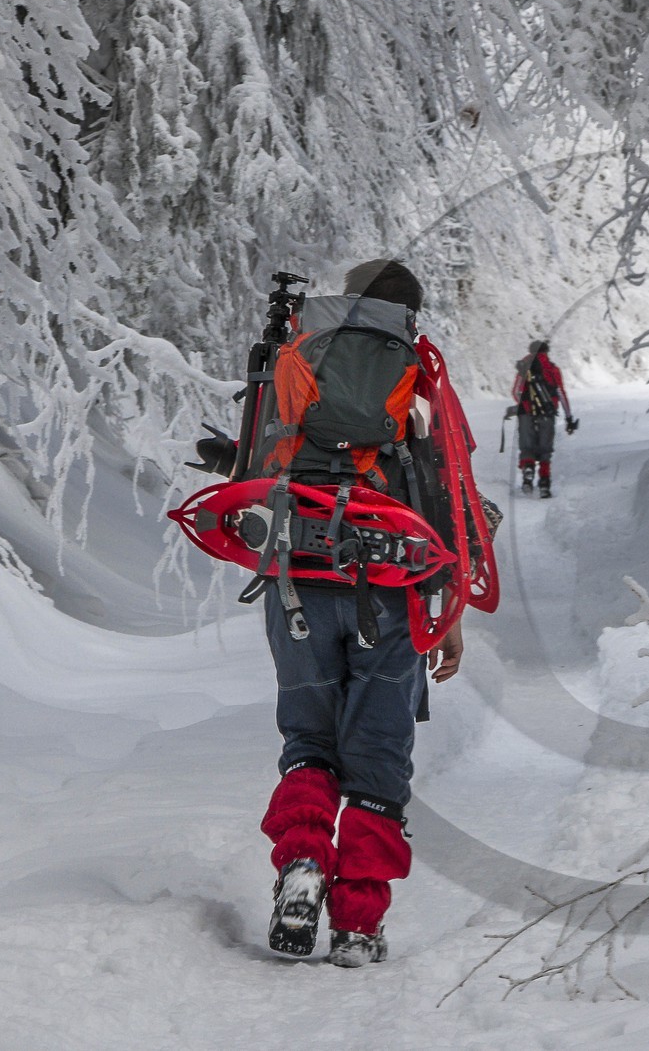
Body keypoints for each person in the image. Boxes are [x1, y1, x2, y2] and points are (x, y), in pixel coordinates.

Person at [196, 259, 465, 968]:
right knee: (376, 761)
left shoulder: (294, 352)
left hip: (297, 581)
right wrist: (451, 610)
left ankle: (303, 865)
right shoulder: (418, 378)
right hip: (390, 585)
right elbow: (445, 498)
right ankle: (356, 927)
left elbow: (257, 466)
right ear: (410, 312)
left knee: (310, 743)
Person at [510, 340, 577, 498]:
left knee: (527, 447)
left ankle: (528, 472)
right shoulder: (552, 369)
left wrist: (525, 405)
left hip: (526, 413)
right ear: (546, 352)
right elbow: (560, 393)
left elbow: (515, 392)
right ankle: (544, 484)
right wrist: (568, 417)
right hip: (547, 413)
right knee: (545, 450)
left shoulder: (523, 367)